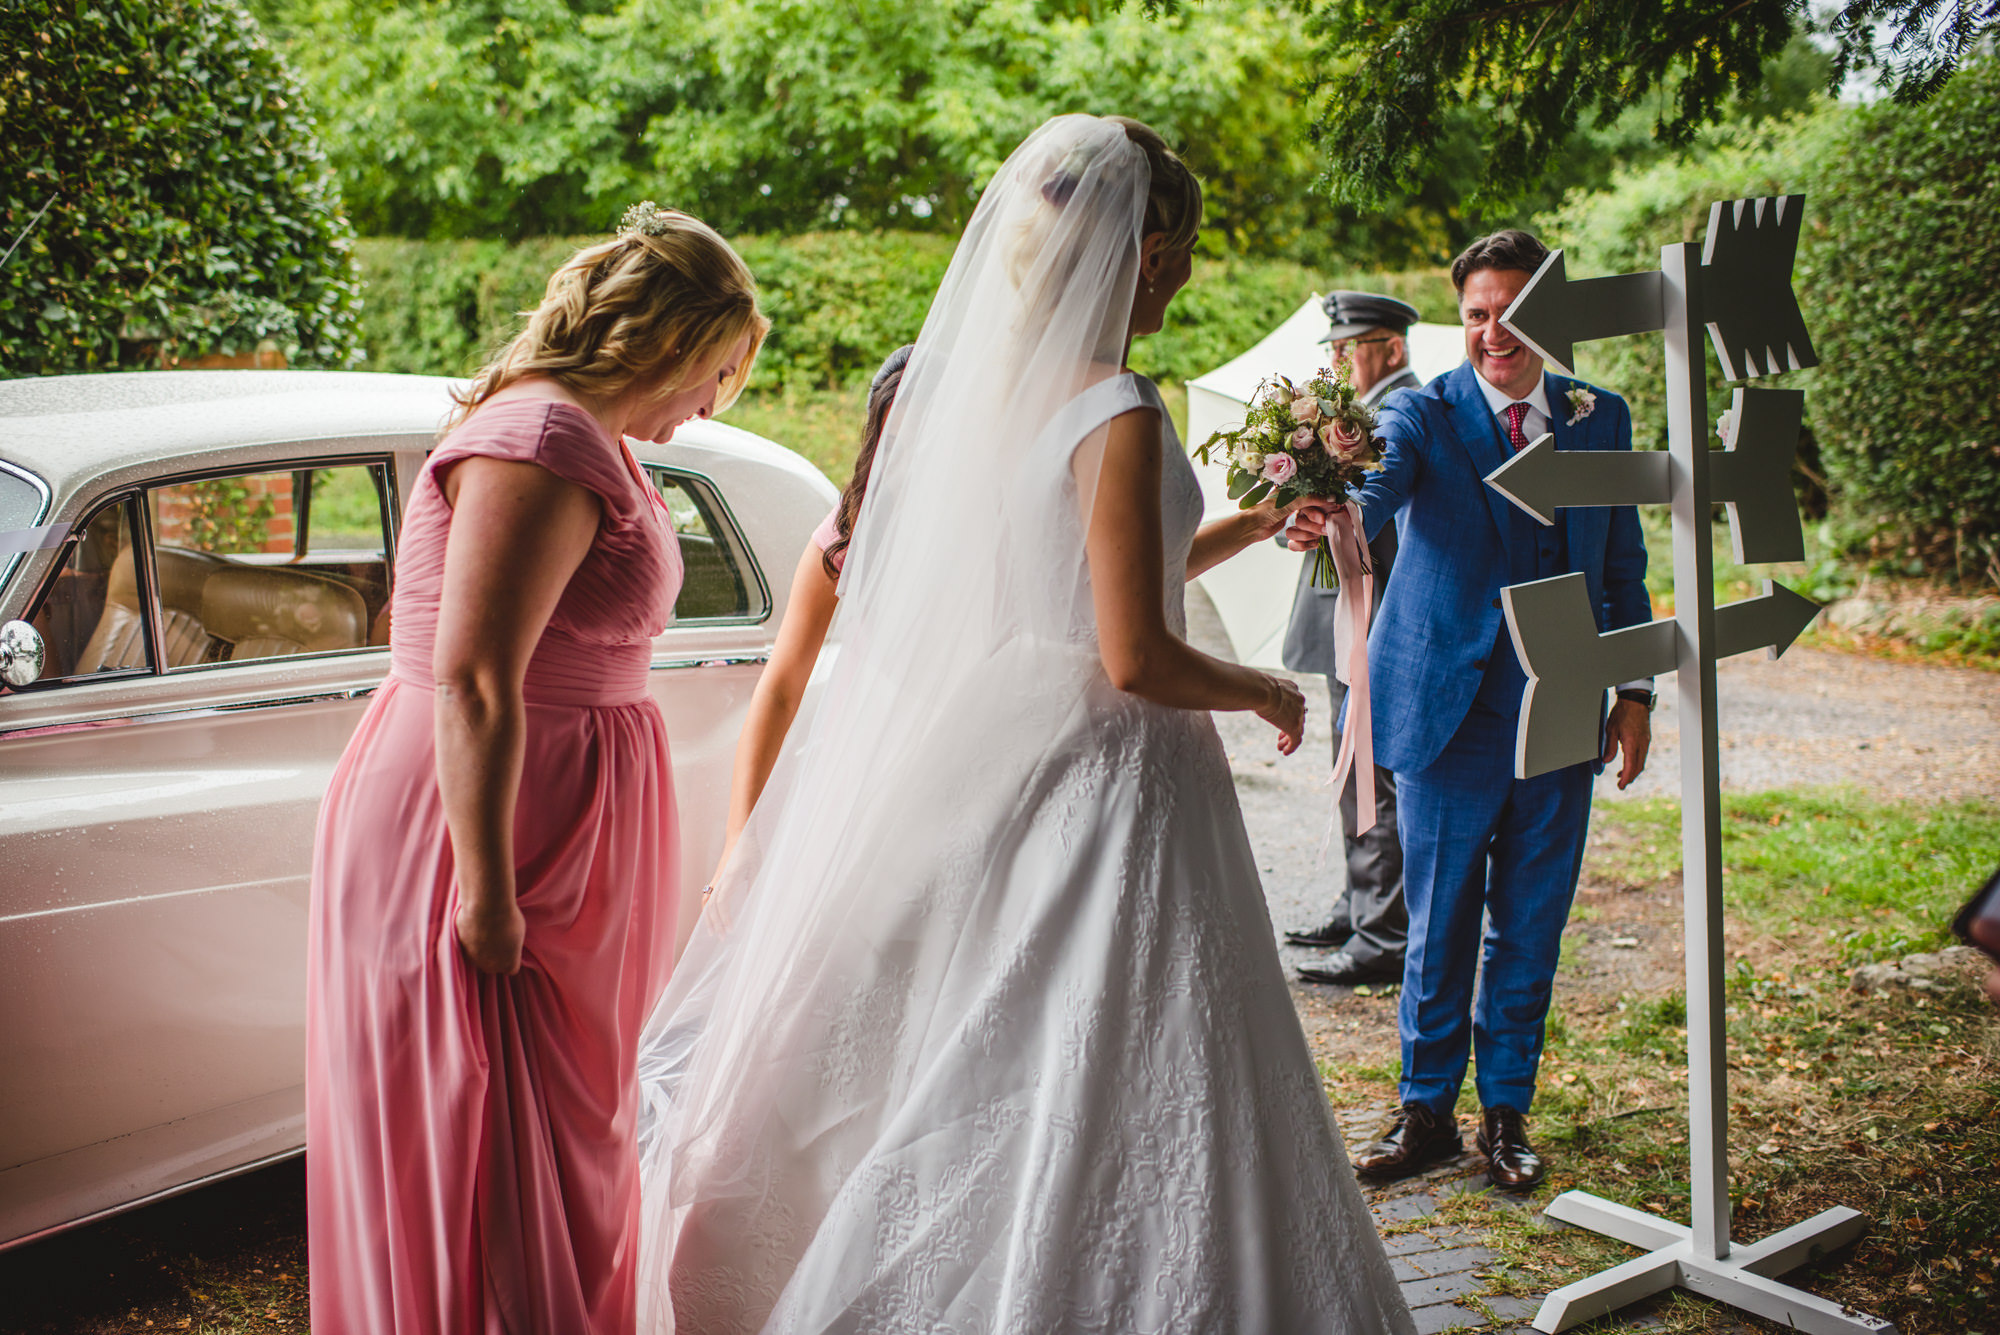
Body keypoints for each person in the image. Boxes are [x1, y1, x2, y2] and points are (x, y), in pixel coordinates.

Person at [632, 116, 1413, 1333]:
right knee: (1135, 1037)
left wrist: (1251, 524)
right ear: (1145, 252)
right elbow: (1136, 652)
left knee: (989, 1027)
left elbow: (1089, 580)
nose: (1190, 272)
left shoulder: (998, 398)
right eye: (1186, 246)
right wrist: (1259, 686)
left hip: (1009, 739)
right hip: (1115, 767)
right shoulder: (1120, 407)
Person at [306, 204, 767, 1333]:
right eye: (716, 370)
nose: (713, 402)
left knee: (559, 1128)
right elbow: (471, 676)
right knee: (489, 1134)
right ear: (665, 338)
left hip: (561, 813)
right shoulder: (538, 440)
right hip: (488, 826)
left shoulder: (589, 434)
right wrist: (485, 893)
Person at [1290, 229, 1653, 1191]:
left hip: (1565, 704)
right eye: (1477, 315)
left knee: (1530, 922)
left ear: (1548, 313)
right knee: (1442, 918)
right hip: (1451, 713)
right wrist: (1328, 506)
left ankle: (1505, 1114)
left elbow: (1622, 560)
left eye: (1513, 311)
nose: (1495, 333)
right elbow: (1376, 486)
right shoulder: (1420, 414)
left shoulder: (1598, 416)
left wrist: (1635, 690)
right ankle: (1424, 1113)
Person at [706, 343, 912, 890]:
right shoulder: (845, 538)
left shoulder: (1003, 526)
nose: (913, 458)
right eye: (896, 442)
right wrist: (738, 837)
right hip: (870, 776)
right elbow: (781, 684)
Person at [1283, 290, 1423, 988]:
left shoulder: (1401, 413)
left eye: (1350, 345)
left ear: (1391, 348)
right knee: (1355, 773)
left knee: (1374, 774)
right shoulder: (1359, 415)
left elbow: (1385, 522)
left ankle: (1382, 932)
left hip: (1374, 615)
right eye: (1332, 348)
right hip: (1351, 615)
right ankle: (1361, 904)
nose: (1337, 359)